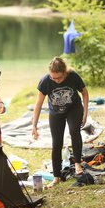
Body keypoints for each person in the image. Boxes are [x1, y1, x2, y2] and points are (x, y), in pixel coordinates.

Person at [31, 57, 89, 187]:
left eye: (59, 78)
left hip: (73, 109)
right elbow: (38, 104)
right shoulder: (46, 81)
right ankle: (56, 176)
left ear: (64, 73)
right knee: (56, 142)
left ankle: (78, 164)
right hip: (55, 112)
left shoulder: (73, 76)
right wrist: (34, 125)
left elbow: (85, 93)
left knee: (74, 131)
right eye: (53, 78)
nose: (56, 80)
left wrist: (85, 113)